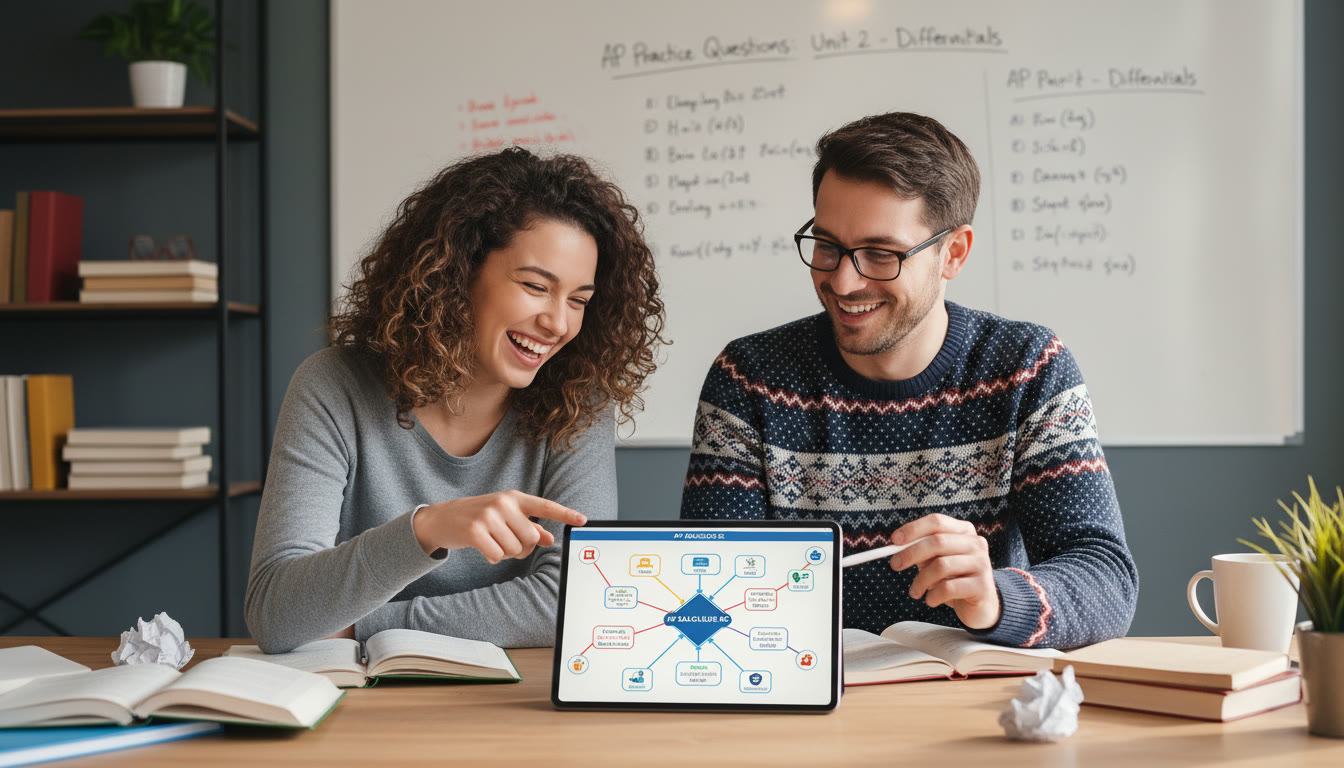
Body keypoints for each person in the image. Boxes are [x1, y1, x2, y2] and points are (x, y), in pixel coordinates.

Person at [680, 112, 1137, 649]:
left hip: (968, 709)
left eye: (881, 254)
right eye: (827, 245)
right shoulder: (749, 378)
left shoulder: (1027, 368)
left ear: (954, 253)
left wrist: (993, 598)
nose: (844, 281)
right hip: (802, 699)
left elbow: (1105, 577)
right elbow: (709, 581)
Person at [246, 147, 666, 653]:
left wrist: (364, 626)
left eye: (578, 300)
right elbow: (276, 614)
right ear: (457, 271)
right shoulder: (333, 386)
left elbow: (576, 596)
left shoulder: (580, 403)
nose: (558, 323)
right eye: (536, 286)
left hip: (512, 710)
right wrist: (426, 530)